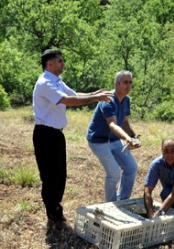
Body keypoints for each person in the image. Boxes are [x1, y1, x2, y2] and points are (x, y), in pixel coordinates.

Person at [32, 49, 113, 231]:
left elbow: (75, 94)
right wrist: (95, 98)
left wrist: (94, 93)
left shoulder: (57, 81)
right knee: (50, 178)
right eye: (60, 61)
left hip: (56, 134)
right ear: (50, 64)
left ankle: (55, 213)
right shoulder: (45, 83)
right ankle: (54, 217)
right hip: (45, 135)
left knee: (60, 175)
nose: (63, 63)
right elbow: (68, 100)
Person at [86, 70, 141, 203]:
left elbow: (124, 123)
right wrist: (127, 139)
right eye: (125, 82)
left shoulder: (126, 100)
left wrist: (133, 137)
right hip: (99, 140)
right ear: (116, 84)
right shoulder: (108, 99)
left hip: (114, 139)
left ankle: (122, 200)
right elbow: (113, 125)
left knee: (131, 168)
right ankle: (109, 204)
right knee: (114, 174)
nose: (128, 86)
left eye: (130, 83)